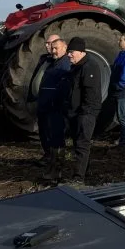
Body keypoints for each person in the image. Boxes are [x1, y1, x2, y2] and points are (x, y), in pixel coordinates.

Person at [66, 36, 106, 185]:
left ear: (81, 51)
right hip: (76, 112)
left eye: (72, 52)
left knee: (83, 144)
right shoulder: (76, 66)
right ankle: (82, 171)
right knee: (78, 143)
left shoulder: (90, 66)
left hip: (86, 113)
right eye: (68, 51)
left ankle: (78, 178)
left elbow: (90, 94)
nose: (69, 55)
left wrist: (85, 114)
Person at [37, 37, 72, 183]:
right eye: (52, 47)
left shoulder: (64, 65)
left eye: (56, 48)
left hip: (55, 109)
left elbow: (63, 90)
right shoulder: (53, 63)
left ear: (65, 48)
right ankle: (51, 168)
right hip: (47, 107)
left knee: (56, 140)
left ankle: (56, 172)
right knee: (51, 139)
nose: (53, 50)